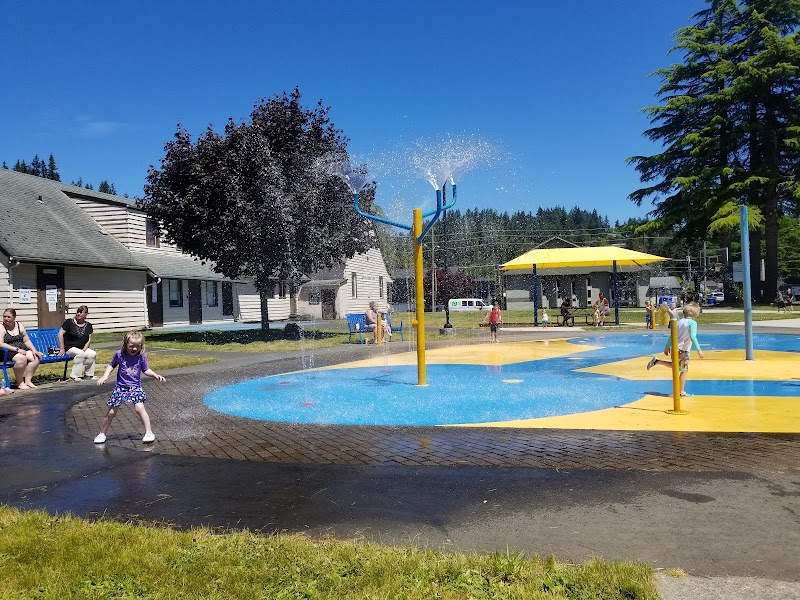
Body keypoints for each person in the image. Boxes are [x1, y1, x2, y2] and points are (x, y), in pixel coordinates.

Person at [93, 330, 165, 444]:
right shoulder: (119, 354)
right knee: (111, 412)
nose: (134, 349)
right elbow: (111, 365)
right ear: (125, 344)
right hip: (120, 387)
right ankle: (102, 433)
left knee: (139, 408)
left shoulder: (141, 356)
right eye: (131, 346)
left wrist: (155, 375)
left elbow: (146, 369)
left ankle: (149, 432)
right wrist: (105, 376)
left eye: (138, 346)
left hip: (135, 387)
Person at [646, 301, 704, 396]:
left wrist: (667, 347)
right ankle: (681, 391)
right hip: (683, 350)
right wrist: (699, 350)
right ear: (695, 314)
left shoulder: (678, 322)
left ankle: (657, 361)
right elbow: (693, 337)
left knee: (676, 366)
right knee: (684, 370)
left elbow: (672, 335)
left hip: (675, 348)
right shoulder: (692, 323)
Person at [0, 308, 42, 390]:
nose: (6, 319)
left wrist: (34, 350)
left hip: (21, 349)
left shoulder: (20, 326)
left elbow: (26, 340)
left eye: (9, 317)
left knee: (35, 358)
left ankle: (28, 380)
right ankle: (19, 382)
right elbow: (1, 344)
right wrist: (17, 350)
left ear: (14, 317)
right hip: (6, 351)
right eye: (4, 316)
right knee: (21, 359)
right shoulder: (1, 327)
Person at [58, 305, 97, 381]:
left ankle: (89, 375)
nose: (78, 314)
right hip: (69, 348)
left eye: (81, 312)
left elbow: (89, 339)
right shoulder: (69, 322)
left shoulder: (88, 325)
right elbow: (60, 334)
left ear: (86, 314)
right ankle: (75, 376)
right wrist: (62, 348)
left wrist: (85, 349)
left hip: (82, 348)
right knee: (80, 354)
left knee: (92, 354)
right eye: (77, 312)